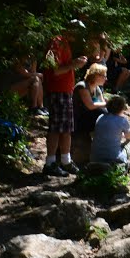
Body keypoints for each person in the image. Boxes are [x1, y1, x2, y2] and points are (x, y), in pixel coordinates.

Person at [42, 21, 88, 176]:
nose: (79, 36)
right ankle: (50, 163)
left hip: (65, 91)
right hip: (57, 91)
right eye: (77, 32)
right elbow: (54, 71)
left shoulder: (65, 43)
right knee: (56, 128)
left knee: (67, 129)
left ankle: (66, 161)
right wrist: (74, 64)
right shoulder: (56, 43)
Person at [91, 95, 130, 183]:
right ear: (121, 108)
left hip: (95, 158)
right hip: (114, 159)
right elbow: (129, 136)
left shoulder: (100, 117)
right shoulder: (122, 120)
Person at [73, 63, 108, 137]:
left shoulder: (96, 88)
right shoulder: (82, 87)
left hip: (88, 117)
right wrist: (108, 104)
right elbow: (90, 106)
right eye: (104, 76)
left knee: (106, 113)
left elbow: (102, 105)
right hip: (78, 119)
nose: (106, 79)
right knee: (102, 113)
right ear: (96, 75)